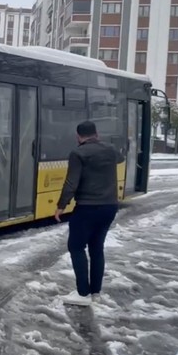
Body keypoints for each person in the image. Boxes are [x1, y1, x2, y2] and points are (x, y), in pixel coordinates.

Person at [55, 120, 125, 307]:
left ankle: (82, 293)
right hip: (109, 207)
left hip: (87, 207)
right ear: (97, 134)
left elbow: (71, 183)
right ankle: (95, 292)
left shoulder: (78, 153)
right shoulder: (110, 150)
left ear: (78, 136)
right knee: (96, 248)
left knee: (76, 247)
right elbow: (120, 158)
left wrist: (61, 205)